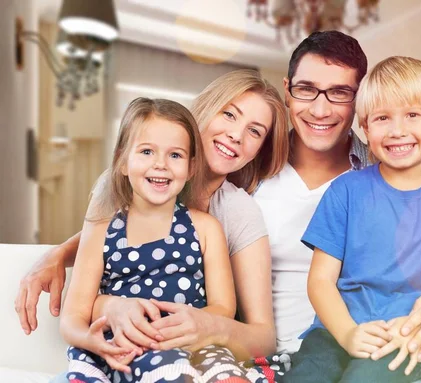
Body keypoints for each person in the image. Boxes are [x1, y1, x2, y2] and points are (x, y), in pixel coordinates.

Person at [17, 32, 421, 382]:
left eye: (340, 93)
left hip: (333, 345)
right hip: (284, 357)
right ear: (290, 91)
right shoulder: (247, 175)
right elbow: (150, 217)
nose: (320, 108)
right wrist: (62, 253)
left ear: (359, 104)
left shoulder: (377, 175)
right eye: (306, 90)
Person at [16, 69, 289, 382]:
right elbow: (99, 256)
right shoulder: (118, 188)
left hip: (200, 349)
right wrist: (63, 256)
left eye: (255, 131)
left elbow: (261, 335)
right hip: (122, 347)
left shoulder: (235, 214)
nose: (236, 135)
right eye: (229, 114)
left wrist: (207, 325)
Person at [283, 56, 421, 383]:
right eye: (383, 118)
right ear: (366, 128)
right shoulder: (345, 191)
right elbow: (320, 281)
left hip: (409, 337)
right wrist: (348, 334)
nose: (398, 131)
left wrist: (407, 331)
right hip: (336, 333)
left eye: (413, 115)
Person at [61, 97, 243, 382]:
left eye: (175, 155)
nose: (161, 165)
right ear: (122, 161)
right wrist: (90, 340)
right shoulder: (100, 229)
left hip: (190, 343)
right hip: (121, 347)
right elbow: (72, 317)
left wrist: (182, 327)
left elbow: (224, 307)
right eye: (146, 151)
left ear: (191, 167)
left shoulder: (206, 228)